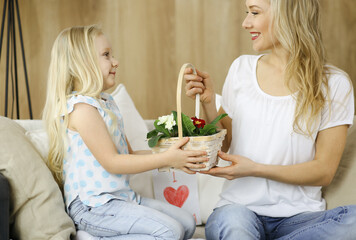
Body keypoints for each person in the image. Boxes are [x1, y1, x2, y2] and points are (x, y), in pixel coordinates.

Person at [185, 0, 356, 239]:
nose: (246, 23)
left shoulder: (335, 84)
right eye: (248, 13)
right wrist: (208, 102)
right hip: (239, 210)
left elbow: (324, 171)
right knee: (233, 225)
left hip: (301, 218)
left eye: (255, 12)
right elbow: (225, 145)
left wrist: (255, 169)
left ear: (287, 16)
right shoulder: (241, 69)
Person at [42, 25, 208, 240]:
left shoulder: (106, 103)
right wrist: (167, 158)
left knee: (186, 224)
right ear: (82, 63)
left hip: (121, 199)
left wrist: (171, 156)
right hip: (94, 207)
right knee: (170, 231)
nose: (115, 61)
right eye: (106, 55)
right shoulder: (82, 109)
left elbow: (128, 155)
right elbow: (113, 162)